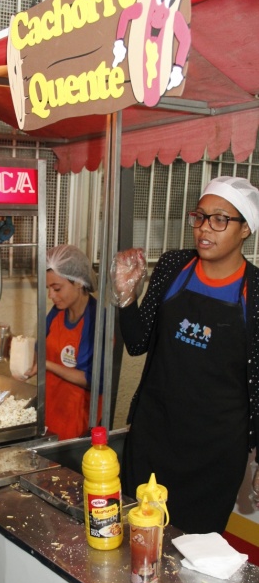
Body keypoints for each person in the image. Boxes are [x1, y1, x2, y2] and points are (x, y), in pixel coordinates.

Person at [111, 175, 259, 535]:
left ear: (245, 231)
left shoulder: (254, 292)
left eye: (220, 219)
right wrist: (126, 296)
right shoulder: (174, 266)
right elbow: (138, 342)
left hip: (215, 450)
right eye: (200, 216)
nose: (205, 228)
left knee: (194, 550)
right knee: (137, 535)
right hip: (153, 434)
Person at [23, 244, 104, 440]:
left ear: (78, 282)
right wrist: (10, 346)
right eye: (48, 288)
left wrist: (47, 365)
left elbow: (93, 380)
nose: (51, 295)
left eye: (57, 288)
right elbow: (39, 351)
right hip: (50, 415)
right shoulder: (57, 312)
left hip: (77, 424)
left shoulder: (95, 320)